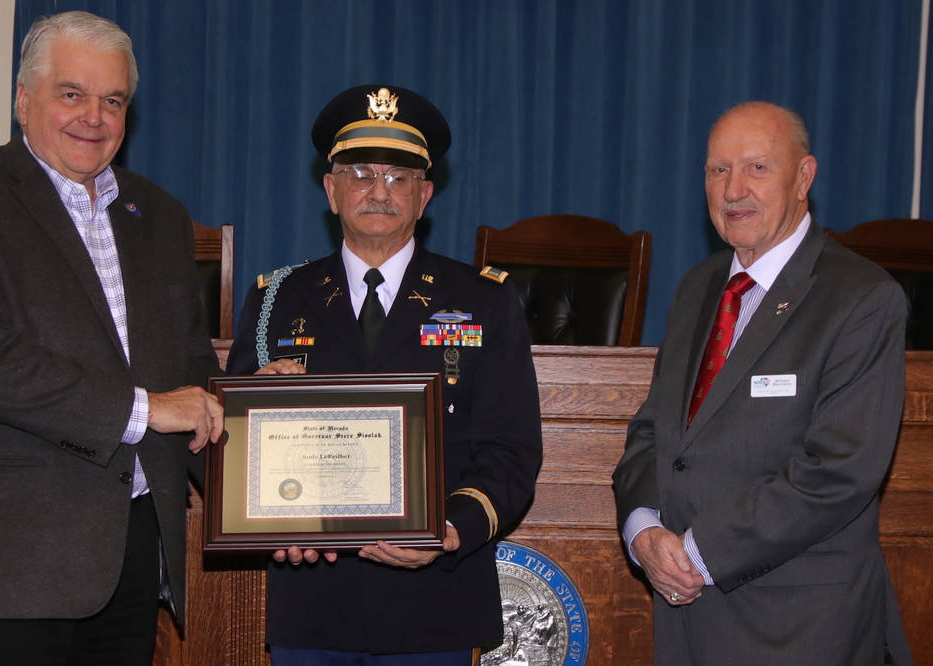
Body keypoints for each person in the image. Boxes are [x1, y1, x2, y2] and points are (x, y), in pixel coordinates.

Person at [0, 11, 224, 665]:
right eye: (72, 94)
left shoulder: (160, 216)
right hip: (6, 570)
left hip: (131, 559)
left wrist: (260, 433)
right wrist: (146, 409)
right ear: (25, 100)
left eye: (113, 100)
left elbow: (189, 365)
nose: (94, 117)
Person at [225, 84, 543, 664]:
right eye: (361, 172)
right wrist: (270, 518)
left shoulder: (483, 301)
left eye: (398, 178)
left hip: (435, 600)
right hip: (313, 602)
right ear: (331, 189)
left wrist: (451, 528)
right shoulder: (275, 299)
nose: (379, 191)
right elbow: (229, 445)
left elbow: (511, 448)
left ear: (424, 196)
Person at [612, 101, 913, 665]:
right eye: (717, 170)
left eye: (757, 168)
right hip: (685, 618)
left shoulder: (861, 298)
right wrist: (643, 530)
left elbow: (840, 470)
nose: (733, 190)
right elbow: (654, 434)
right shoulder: (698, 288)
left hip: (797, 627)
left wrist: (698, 555)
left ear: (804, 177)